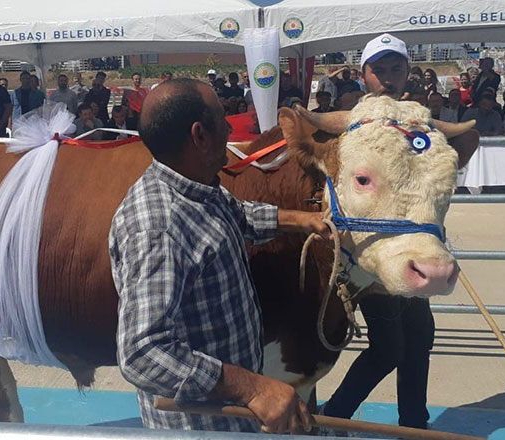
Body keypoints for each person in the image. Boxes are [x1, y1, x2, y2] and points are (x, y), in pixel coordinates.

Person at [109, 77, 327, 433]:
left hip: (234, 419)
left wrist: (303, 219)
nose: (229, 128)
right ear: (199, 135)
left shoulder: (199, 188)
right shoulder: (158, 228)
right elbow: (141, 354)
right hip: (202, 427)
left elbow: (238, 216)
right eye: (222, 120)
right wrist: (253, 387)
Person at [320, 32, 434, 431]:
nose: (388, 78)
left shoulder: (420, 119)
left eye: (395, 69)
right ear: (364, 76)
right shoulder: (352, 122)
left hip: (411, 245)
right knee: (388, 349)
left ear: (408, 73)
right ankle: (333, 418)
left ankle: (414, 426)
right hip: (369, 252)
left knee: (420, 337)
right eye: (379, 70)